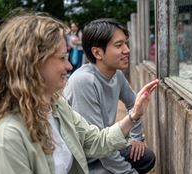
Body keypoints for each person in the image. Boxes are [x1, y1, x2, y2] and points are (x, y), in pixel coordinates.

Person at [0, 14, 159, 174]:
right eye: (62, 58)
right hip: (94, 164)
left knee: (145, 158)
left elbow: (95, 141)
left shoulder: (55, 105)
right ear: (33, 63)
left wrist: (134, 115)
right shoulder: (7, 141)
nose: (70, 67)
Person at [63, 18, 155, 174]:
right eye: (119, 45)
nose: (127, 50)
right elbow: (98, 146)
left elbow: (134, 104)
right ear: (97, 52)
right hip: (85, 161)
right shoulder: (83, 82)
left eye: (126, 43)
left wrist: (137, 138)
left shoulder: (116, 75)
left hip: (106, 145)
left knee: (146, 158)